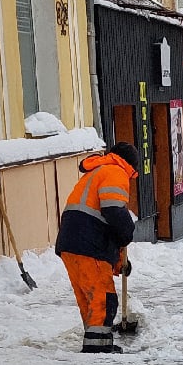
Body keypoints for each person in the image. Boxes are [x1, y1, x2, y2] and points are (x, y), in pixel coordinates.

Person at [55, 141, 138, 353]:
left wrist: (120, 264)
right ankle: (98, 352)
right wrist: (127, 229)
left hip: (71, 244)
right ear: (130, 165)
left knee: (90, 300)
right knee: (104, 300)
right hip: (88, 244)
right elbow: (113, 213)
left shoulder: (97, 171)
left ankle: (96, 344)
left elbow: (106, 226)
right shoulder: (116, 172)